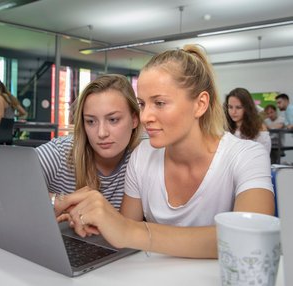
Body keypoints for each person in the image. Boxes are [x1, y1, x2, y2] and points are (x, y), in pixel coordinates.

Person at [54, 45, 274, 259]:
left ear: (200, 104)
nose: (144, 117)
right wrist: (95, 219)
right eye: (142, 104)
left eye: (159, 103)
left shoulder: (247, 156)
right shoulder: (142, 155)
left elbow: (249, 239)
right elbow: (123, 236)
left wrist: (133, 232)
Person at [35, 74, 142, 210]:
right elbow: (6, 185)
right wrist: (62, 202)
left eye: (113, 119)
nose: (102, 133)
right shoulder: (61, 152)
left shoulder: (144, 156)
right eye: (91, 121)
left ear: (134, 120)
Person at [224, 87, 271, 154]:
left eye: (238, 107)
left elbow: (264, 154)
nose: (233, 112)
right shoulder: (226, 127)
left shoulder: (259, 128)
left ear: (247, 108)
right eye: (230, 107)